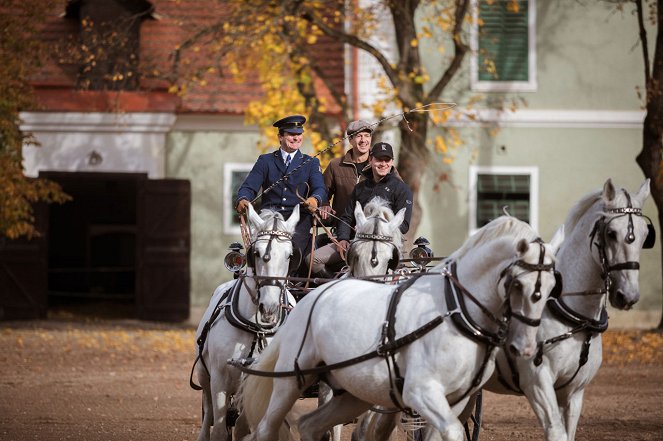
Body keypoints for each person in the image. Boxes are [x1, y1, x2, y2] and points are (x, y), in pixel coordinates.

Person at [235, 115, 327, 273]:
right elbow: (248, 187)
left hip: (297, 220)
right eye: (291, 134)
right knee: (259, 250)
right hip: (268, 219)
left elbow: (320, 189)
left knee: (292, 252)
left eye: (298, 134)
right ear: (280, 137)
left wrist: (314, 199)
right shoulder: (265, 161)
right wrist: (243, 199)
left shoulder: (311, 162)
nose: (296, 138)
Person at [309, 141, 413, 277]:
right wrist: (343, 239)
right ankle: (335, 288)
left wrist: (372, 230)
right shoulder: (360, 188)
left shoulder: (402, 189)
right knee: (312, 260)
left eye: (387, 160)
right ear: (371, 160)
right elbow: (347, 217)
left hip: (385, 245)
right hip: (355, 241)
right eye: (379, 160)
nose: (383, 164)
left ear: (392, 162)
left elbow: (403, 225)